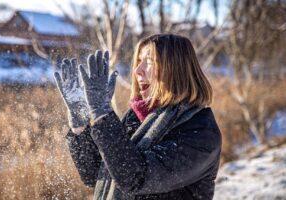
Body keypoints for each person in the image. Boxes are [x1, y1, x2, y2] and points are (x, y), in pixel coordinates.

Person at [54, 33, 222, 200]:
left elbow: (136, 178)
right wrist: (81, 125)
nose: (137, 71)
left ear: (175, 69)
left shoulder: (200, 132)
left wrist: (102, 114)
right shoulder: (137, 118)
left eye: (149, 62)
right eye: (139, 61)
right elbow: (98, 174)